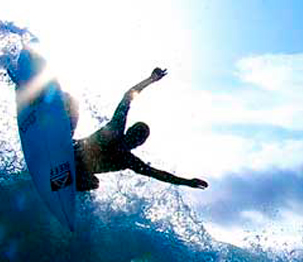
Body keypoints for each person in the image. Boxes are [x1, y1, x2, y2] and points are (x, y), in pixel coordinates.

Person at [71, 67, 209, 192]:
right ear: (129, 131)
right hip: (71, 150)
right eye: (135, 135)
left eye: (138, 138)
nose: (135, 139)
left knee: (93, 183)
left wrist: (187, 182)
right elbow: (128, 97)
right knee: (72, 104)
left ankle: (62, 188)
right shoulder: (116, 129)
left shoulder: (128, 160)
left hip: (77, 170)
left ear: (139, 144)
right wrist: (150, 80)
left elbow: (159, 174)